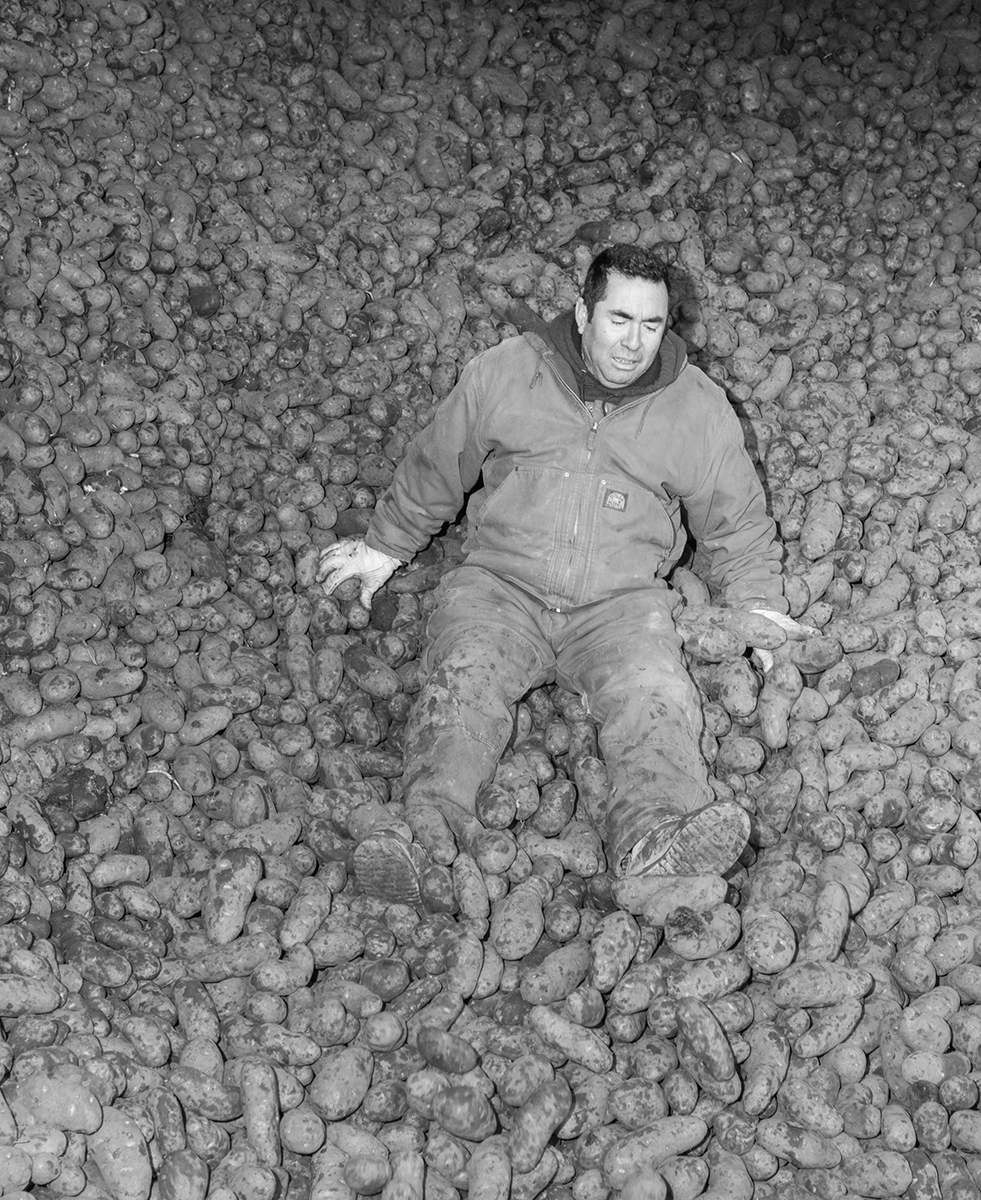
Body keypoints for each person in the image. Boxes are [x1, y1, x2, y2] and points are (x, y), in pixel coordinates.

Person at [317, 244, 803, 905]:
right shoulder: (506, 373)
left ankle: (656, 841)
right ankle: (423, 842)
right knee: (461, 684)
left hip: (620, 605)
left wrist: (761, 611)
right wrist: (386, 545)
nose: (634, 343)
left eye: (652, 325)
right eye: (619, 320)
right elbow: (440, 459)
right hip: (501, 588)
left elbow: (737, 520)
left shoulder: (697, 408)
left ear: (670, 326)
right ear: (582, 313)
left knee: (655, 697)